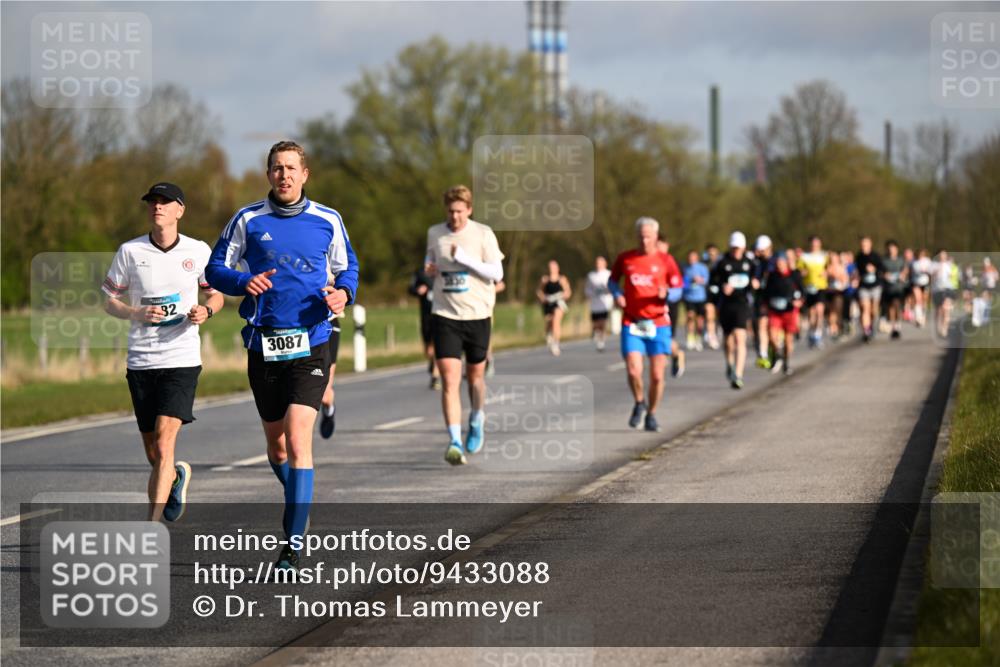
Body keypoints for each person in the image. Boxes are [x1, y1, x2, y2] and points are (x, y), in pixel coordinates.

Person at [206, 141, 359, 570]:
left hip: (312, 341)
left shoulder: (328, 219)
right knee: (276, 449)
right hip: (264, 344)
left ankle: (292, 544)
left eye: (291, 168)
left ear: (304, 174)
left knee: (297, 438)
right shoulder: (247, 219)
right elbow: (215, 269)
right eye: (277, 168)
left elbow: (348, 267)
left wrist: (344, 293)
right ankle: (298, 498)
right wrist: (243, 282)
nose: (284, 175)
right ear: (268, 174)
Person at [102, 182, 225, 522]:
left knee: (164, 442)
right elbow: (109, 300)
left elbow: (216, 295)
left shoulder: (197, 250)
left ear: (179, 210)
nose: (157, 206)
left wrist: (206, 311)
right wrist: (135, 312)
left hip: (181, 358)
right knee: (154, 454)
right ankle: (174, 477)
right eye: (153, 202)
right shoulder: (130, 251)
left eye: (165, 202)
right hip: (141, 360)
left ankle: (151, 529)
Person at [424, 185, 504, 466]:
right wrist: (429, 268)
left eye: (459, 211)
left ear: (469, 209)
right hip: (445, 314)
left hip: (478, 315)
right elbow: (430, 260)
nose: (455, 216)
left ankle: (477, 418)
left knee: (475, 378)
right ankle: (455, 441)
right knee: (449, 379)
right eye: (450, 211)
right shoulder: (435, 233)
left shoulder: (483, 234)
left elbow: (497, 272)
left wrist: (465, 260)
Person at [608, 217, 683, 432]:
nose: (644, 241)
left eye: (648, 237)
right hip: (632, 322)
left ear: (656, 237)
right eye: (641, 236)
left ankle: (652, 413)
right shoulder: (626, 258)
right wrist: (617, 294)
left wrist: (668, 293)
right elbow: (612, 281)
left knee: (657, 376)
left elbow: (679, 288)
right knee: (634, 370)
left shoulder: (666, 260)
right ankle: (639, 402)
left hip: (658, 323)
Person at [710, 232, 758, 389]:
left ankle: (738, 374)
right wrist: (721, 288)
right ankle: (730, 364)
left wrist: (755, 284)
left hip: (742, 304)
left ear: (743, 248)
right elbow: (712, 284)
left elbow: (757, 280)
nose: (736, 251)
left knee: (740, 337)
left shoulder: (749, 263)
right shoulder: (722, 262)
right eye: (734, 248)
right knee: (729, 341)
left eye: (739, 248)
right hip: (726, 305)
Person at [762, 251, 804, 376]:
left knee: (788, 340)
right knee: (771, 335)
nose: (779, 265)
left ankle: (786, 362)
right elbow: (766, 292)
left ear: (786, 262)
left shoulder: (794, 275)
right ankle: (778, 353)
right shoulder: (772, 276)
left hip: (789, 311)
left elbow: (802, 291)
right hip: (775, 311)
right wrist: (765, 304)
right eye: (777, 263)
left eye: (781, 262)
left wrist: (799, 301)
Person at [658, 240, 686, 378]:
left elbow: (680, 288)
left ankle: (676, 354)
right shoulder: (648, 261)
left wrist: (667, 294)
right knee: (658, 339)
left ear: (667, 246)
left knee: (667, 338)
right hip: (652, 307)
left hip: (670, 306)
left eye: (661, 245)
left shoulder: (673, 263)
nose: (658, 248)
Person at [409, 265, 441, 389]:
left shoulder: (443, 269)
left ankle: (435, 377)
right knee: (428, 349)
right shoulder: (420, 272)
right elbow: (410, 288)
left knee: (437, 344)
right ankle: (432, 361)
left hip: (440, 314)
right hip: (426, 315)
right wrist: (417, 290)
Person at [797, 235, 829, 348]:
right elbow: (798, 270)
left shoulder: (825, 256)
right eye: (813, 244)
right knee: (812, 313)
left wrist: (826, 273)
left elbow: (830, 268)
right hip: (808, 287)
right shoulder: (804, 257)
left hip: (821, 286)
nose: (815, 246)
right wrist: (802, 272)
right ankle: (811, 333)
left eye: (817, 244)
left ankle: (818, 335)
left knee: (820, 310)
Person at [537, 260, 572, 356]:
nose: (552, 269)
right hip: (548, 303)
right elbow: (539, 291)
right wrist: (543, 298)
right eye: (550, 268)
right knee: (549, 322)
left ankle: (556, 343)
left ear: (558, 268)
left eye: (554, 267)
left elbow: (568, 292)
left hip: (559, 303)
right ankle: (549, 335)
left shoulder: (562, 279)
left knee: (556, 321)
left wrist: (562, 295)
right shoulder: (545, 279)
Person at [853, 236, 883, 343]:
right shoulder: (858, 257)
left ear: (870, 245)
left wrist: (874, 269)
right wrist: (856, 278)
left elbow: (882, 269)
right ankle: (866, 332)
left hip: (876, 286)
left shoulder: (876, 256)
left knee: (873, 310)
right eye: (862, 245)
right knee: (865, 308)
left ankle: (872, 326)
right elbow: (856, 271)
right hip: (863, 287)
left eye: (866, 244)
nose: (864, 247)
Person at [752, 235, 774, 368]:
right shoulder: (756, 263)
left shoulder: (774, 262)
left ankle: (774, 350)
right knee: (761, 324)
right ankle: (763, 353)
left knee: (773, 328)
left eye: (762, 250)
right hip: (761, 299)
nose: (760, 252)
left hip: (774, 299)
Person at [682, 250, 709, 351]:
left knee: (700, 319)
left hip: (700, 297)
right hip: (689, 297)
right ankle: (690, 338)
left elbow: (706, 280)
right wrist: (688, 282)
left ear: (697, 258)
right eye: (689, 257)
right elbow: (682, 283)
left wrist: (699, 280)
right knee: (690, 317)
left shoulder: (702, 268)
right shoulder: (685, 268)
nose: (691, 259)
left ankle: (698, 337)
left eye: (693, 257)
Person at [584, 256, 613, 351]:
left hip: (605, 303)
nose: (598, 265)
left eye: (600, 263)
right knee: (596, 324)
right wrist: (590, 294)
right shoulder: (591, 275)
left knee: (603, 322)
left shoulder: (609, 274)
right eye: (597, 263)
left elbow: (613, 286)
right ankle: (596, 333)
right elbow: (587, 288)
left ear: (605, 264)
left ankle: (601, 341)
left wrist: (609, 291)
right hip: (595, 304)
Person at [882, 240, 908, 340]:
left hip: (899, 287)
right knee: (891, 307)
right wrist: (885, 275)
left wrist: (903, 274)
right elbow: (881, 271)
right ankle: (893, 327)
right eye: (889, 249)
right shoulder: (884, 260)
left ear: (897, 249)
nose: (891, 250)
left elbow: (905, 269)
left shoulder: (901, 260)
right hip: (888, 288)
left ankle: (897, 325)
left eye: (893, 249)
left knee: (897, 305)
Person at [930, 249, 958, 339]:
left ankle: (945, 328)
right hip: (937, 290)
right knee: (938, 310)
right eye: (941, 255)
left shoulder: (949, 265)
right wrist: (936, 272)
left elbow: (953, 275)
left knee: (946, 309)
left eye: (944, 254)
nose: (942, 256)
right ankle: (938, 327)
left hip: (947, 289)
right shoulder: (934, 265)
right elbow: (931, 277)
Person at [825, 251, 849, 341]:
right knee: (830, 312)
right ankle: (833, 328)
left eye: (834, 258)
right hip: (829, 291)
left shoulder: (841, 267)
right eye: (831, 258)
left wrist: (837, 277)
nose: (833, 260)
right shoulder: (827, 267)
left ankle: (838, 328)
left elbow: (845, 280)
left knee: (837, 311)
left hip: (838, 292)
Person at [702, 243, 722, 349]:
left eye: (713, 253)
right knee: (709, 314)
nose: (712, 256)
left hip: (720, 294)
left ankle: (717, 330)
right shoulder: (704, 265)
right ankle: (711, 336)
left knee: (718, 315)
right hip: (708, 293)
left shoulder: (722, 263)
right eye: (710, 254)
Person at [909, 249, 933, 328]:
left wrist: (928, 272)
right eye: (919, 254)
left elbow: (930, 270)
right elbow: (914, 271)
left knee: (924, 301)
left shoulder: (928, 261)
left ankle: (923, 316)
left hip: (925, 283)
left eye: (922, 254)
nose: (921, 256)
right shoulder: (914, 262)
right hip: (916, 283)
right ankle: (918, 318)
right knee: (917, 299)